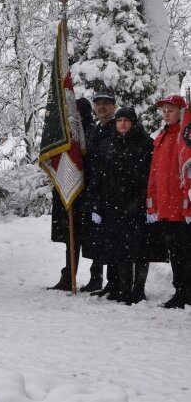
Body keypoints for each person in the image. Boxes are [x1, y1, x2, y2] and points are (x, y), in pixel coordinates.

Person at [88, 107, 154, 303]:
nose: (122, 124)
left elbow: (150, 177)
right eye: (119, 120)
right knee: (120, 248)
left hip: (139, 206)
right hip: (114, 206)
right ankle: (124, 288)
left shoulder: (145, 144)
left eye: (126, 120)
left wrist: (144, 202)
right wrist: (97, 205)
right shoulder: (108, 144)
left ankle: (138, 289)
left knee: (140, 249)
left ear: (133, 123)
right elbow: (99, 177)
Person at [147, 94, 190, 308]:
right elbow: (154, 175)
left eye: (170, 110)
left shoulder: (186, 137)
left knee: (185, 251)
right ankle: (181, 290)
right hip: (166, 208)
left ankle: (186, 291)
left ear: (181, 112)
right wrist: (152, 203)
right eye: (163, 110)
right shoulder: (161, 137)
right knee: (176, 252)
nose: (165, 114)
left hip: (183, 207)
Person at [48, 97, 95, 291]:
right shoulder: (66, 133)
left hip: (86, 192)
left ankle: (96, 277)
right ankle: (69, 275)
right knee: (71, 238)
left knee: (92, 239)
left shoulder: (91, 132)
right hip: (69, 190)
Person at [80, 90, 118, 295]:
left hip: (111, 193)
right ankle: (96, 278)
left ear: (113, 106)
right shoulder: (94, 130)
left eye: (106, 103)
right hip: (94, 191)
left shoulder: (117, 129)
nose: (101, 107)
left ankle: (114, 282)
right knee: (96, 238)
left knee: (111, 239)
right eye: (98, 104)